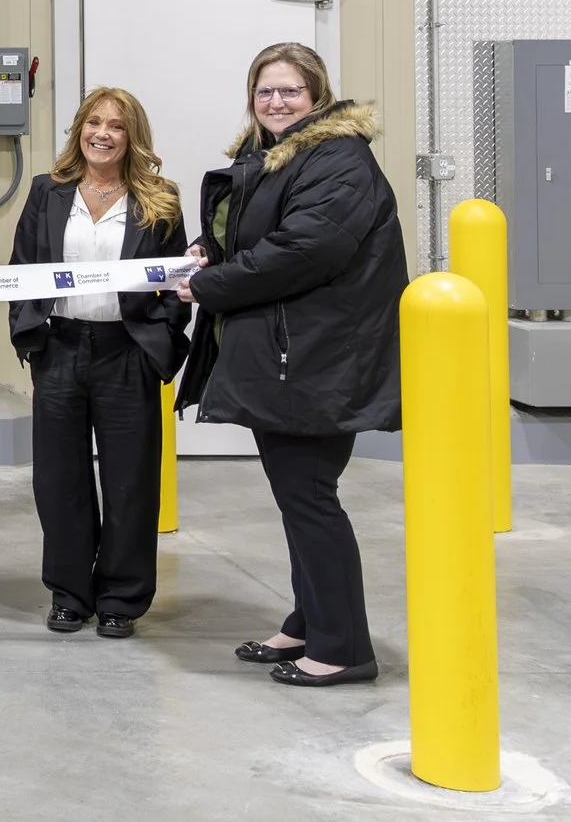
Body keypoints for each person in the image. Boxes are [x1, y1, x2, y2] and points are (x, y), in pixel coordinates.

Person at [174, 41, 406, 687]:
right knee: (296, 496)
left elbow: (306, 248)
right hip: (290, 357)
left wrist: (214, 285)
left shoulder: (338, 159)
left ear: (317, 97)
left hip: (318, 360)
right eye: (265, 91)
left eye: (290, 91)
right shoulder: (275, 156)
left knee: (309, 497)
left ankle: (344, 647)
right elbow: (260, 234)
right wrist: (209, 247)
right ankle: (310, 622)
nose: (276, 101)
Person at [7, 87, 190, 639]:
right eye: (93, 122)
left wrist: (157, 343)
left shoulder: (159, 199)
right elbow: (21, 268)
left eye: (116, 125)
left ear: (133, 136)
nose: (102, 133)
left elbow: (176, 282)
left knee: (131, 482)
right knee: (58, 481)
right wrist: (28, 334)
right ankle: (69, 594)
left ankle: (122, 598)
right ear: (78, 130)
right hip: (60, 348)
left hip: (125, 353)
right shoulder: (48, 191)